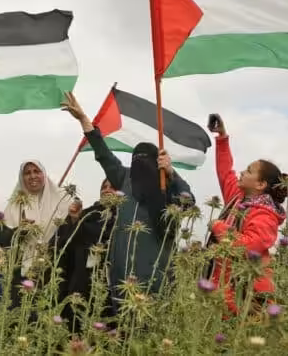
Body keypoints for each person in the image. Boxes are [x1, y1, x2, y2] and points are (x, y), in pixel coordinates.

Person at [61, 92, 195, 301]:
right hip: (122, 282)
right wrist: (84, 120)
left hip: (157, 282)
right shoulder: (124, 179)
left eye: (146, 160)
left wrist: (171, 173)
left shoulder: (166, 185)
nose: (140, 164)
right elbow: (103, 153)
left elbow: (189, 202)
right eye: (136, 159)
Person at [207, 114, 288, 315]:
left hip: (248, 294)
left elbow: (248, 246)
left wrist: (219, 227)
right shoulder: (237, 198)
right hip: (225, 285)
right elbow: (225, 172)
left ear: (260, 184)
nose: (242, 172)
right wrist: (222, 137)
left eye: (248, 170)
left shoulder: (266, 215)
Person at [0, 160, 72, 307]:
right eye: (27, 173)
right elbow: (2, 238)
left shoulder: (63, 202)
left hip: (54, 272)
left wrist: (74, 217)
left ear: (43, 174)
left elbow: (71, 235)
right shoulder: (15, 205)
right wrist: (19, 232)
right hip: (22, 274)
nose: (32, 176)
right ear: (21, 178)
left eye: (36, 171)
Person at [52, 178, 118, 333]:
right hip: (81, 285)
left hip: (108, 287)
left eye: (112, 187)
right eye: (104, 186)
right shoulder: (88, 215)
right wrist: (74, 220)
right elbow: (65, 243)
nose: (107, 190)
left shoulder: (124, 218)